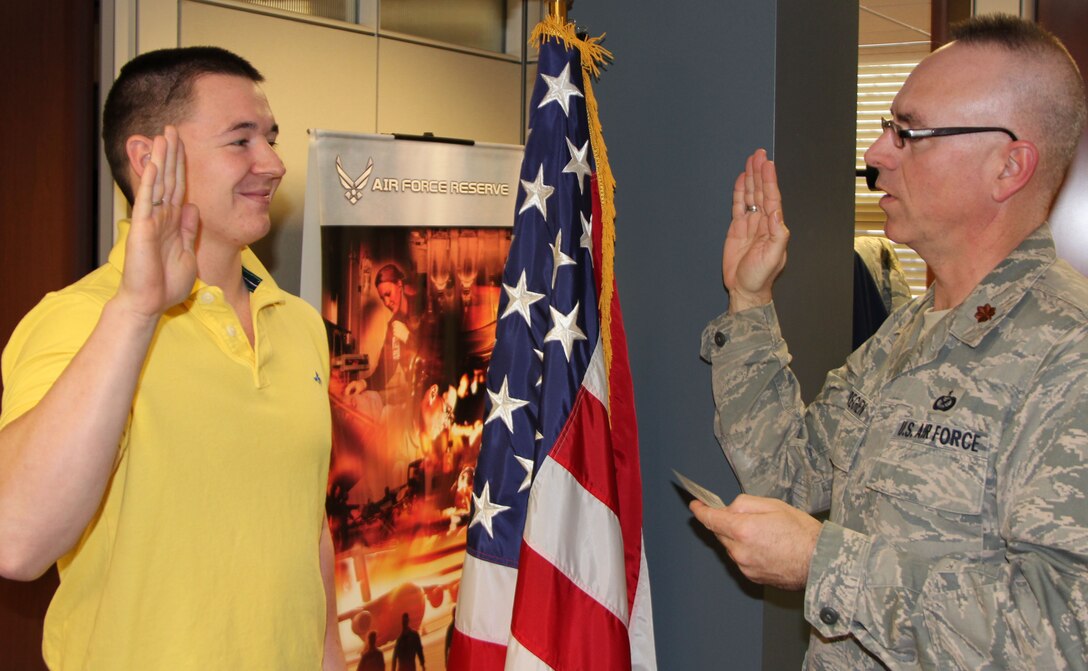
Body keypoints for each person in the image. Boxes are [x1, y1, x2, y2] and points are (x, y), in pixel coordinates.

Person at [691, 15, 1088, 669]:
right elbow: (787, 476)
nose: (877, 153)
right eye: (886, 128)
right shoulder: (911, 329)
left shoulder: (1067, 353)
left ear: (1009, 166)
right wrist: (751, 300)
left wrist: (826, 561)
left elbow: (1060, 630)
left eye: (910, 133)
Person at [0, 47, 342, 669]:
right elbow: (15, 541)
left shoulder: (298, 325)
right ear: (148, 158)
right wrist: (136, 312)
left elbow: (305, 528)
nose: (273, 162)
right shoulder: (78, 321)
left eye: (270, 137)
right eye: (240, 141)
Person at [366, 264, 419, 392]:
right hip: (415, 393)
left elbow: (437, 354)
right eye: (382, 298)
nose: (386, 302)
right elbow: (385, 371)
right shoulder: (393, 326)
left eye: (388, 294)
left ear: (400, 285)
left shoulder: (423, 306)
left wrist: (408, 338)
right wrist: (363, 383)